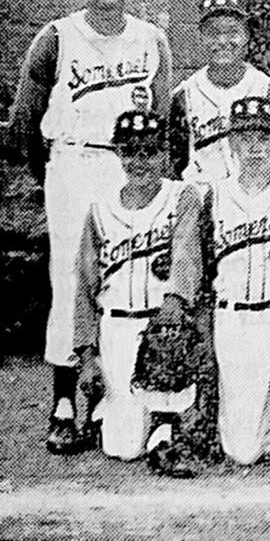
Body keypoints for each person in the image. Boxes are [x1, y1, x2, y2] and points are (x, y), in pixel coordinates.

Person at [4, 0, 173, 455]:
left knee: (129, 274)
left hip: (130, 165)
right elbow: (23, 126)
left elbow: (162, 115)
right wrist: (53, 170)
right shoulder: (56, 37)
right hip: (74, 159)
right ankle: (63, 403)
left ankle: (112, 397)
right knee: (72, 278)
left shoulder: (152, 39)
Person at [163, 97, 270, 465]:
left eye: (264, 136)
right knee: (243, 452)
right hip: (235, 320)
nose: (255, 145)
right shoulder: (212, 193)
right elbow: (194, 263)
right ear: (231, 143)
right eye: (245, 136)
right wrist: (179, 303)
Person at [73, 111, 196, 469]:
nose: (139, 160)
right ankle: (104, 407)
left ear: (165, 154)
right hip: (117, 328)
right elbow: (85, 287)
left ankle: (166, 429)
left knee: (156, 428)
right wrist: (86, 355)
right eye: (130, 151)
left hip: (162, 327)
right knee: (123, 448)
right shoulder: (99, 210)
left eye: (149, 151)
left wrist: (174, 304)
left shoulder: (181, 196)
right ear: (117, 153)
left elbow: (187, 255)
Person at [171, 0, 270, 183]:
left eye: (232, 32)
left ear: (246, 36)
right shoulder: (183, 96)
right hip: (204, 197)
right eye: (213, 33)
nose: (222, 41)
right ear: (201, 38)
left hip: (256, 199)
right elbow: (173, 164)